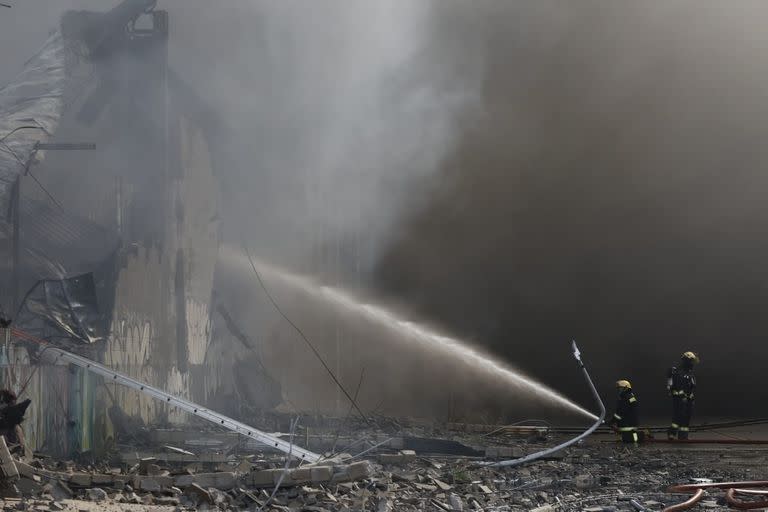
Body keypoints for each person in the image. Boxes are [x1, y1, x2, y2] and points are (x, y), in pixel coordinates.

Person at [667, 351, 699, 440]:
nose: (693, 363)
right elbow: (677, 386)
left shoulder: (689, 372)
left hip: (688, 400)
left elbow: (691, 386)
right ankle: (671, 434)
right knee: (678, 417)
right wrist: (682, 396)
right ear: (686, 361)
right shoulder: (679, 372)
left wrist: (690, 397)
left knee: (686, 419)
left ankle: (683, 437)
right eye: (691, 361)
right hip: (680, 399)